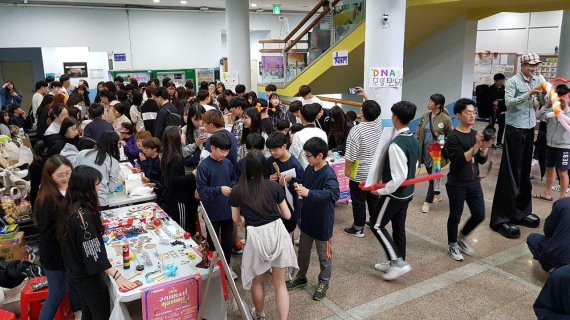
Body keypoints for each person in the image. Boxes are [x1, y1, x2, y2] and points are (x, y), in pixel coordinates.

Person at [57, 166, 136, 319]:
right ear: (86, 188)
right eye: (96, 184)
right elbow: (93, 253)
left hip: (75, 272)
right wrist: (117, 275)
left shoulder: (70, 205)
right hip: (87, 276)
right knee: (101, 313)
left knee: (88, 311)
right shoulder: (83, 217)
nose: (99, 188)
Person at [229, 150, 298, 320]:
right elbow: (287, 215)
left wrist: (244, 218)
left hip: (255, 237)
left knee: (257, 280)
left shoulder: (238, 190)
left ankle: (259, 314)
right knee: (280, 284)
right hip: (277, 233)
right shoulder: (273, 186)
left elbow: (236, 219)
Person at [490, 52, 546, 238]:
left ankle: (521, 211)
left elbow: (544, 101)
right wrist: (529, 94)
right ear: (522, 65)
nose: (533, 68)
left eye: (536, 65)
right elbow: (509, 104)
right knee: (510, 173)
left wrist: (548, 96)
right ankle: (502, 218)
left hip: (530, 129)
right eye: (530, 65)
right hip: (514, 130)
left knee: (523, 173)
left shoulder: (538, 78)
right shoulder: (513, 81)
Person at [369, 101, 418, 281]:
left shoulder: (396, 144)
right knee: (398, 227)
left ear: (395, 118)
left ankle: (397, 262)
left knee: (376, 224)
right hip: (407, 193)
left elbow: (399, 177)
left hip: (395, 194)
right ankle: (396, 260)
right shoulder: (412, 139)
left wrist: (380, 191)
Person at [286, 137, 339, 301]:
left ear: (320, 155)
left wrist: (309, 193)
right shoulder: (310, 168)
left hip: (323, 222)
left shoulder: (328, 174)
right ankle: (301, 277)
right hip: (307, 219)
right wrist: (292, 182)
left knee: (324, 256)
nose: (306, 158)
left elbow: (333, 194)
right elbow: (304, 183)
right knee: (303, 251)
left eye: (309, 155)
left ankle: (324, 282)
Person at [33, 155, 82, 320]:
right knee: (57, 293)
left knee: (73, 284)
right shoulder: (47, 199)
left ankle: (78, 312)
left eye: (68, 173)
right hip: (54, 253)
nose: (66, 178)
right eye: (60, 175)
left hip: (68, 251)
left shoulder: (70, 189)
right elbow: (47, 233)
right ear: (50, 176)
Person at [443, 99, 491, 261]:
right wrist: (477, 146)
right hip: (457, 183)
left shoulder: (475, 135)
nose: (472, 115)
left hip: (473, 181)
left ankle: (462, 237)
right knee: (455, 216)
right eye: (467, 112)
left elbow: (481, 160)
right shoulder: (453, 137)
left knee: (479, 214)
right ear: (458, 115)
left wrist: (484, 149)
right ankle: (452, 244)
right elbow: (458, 160)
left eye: (474, 112)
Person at [197, 131, 238, 270]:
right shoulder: (204, 166)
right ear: (212, 148)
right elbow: (202, 191)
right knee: (212, 240)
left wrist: (233, 187)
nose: (225, 154)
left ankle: (226, 267)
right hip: (212, 210)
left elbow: (234, 179)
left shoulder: (227, 163)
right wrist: (219, 189)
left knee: (227, 240)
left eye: (227, 151)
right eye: (222, 151)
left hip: (228, 209)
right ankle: (212, 267)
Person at [343, 96, 382, 238]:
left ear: (363, 113)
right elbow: (374, 111)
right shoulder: (378, 124)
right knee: (373, 198)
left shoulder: (357, 130)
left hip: (359, 171)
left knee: (358, 200)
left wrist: (347, 170)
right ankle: (374, 221)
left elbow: (350, 155)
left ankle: (358, 228)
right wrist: (366, 95)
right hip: (375, 171)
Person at [415, 93, 452, 213]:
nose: (428, 103)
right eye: (429, 101)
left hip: (436, 153)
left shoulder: (445, 119)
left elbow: (450, 136)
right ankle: (438, 194)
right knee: (432, 173)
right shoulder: (425, 116)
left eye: (431, 102)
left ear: (438, 105)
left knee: (432, 176)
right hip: (424, 151)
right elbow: (418, 131)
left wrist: (440, 140)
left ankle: (427, 201)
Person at [535, 85, 570, 201]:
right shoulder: (551, 109)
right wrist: (547, 105)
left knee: (562, 171)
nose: (560, 99)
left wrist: (566, 107)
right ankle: (547, 193)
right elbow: (538, 116)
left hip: (564, 146)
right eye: (557, 96)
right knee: (550, 168)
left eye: (562, 97)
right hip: (550, 144)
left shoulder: (569, 111)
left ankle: (562, 198)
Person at [161, 126, 198, 233]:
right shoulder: (176, 157)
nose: (184, 135)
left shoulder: (168, 154)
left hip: (170, 195)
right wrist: (192, 175)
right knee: (180, 227)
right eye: (181, 134)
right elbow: (174, 180)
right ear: (175, 137)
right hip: (178, 198)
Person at [266, 131, 304, 234]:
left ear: (284, 146)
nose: (272, 153)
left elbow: (302, 184)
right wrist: (269, 178)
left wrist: (290, 182)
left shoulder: (294, 164)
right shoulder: (270, 161)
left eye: (275, 150)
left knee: (288, 229)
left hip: (290, 203)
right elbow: (264, 177)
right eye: (270, 150)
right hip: (274, 202)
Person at [73, 131, 120, 209]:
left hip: (78, 198)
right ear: (114, 145)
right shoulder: (112, 162)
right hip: (100, 201)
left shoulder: (82, 153)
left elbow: (73, 170)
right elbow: (112, 188)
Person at [527, 198, 570, 272]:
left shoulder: (563, 203)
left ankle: (552, 268)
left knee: (532, 238)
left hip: (561, 256)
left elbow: (548, 230)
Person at [289, 103, 328, 168]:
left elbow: (294, 156)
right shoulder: (322, 133)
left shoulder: (298, 135)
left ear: (301, 117)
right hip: (320, 168)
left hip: (304, 169)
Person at [488, 73, 506, 147]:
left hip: (502, 110)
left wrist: (500, 102)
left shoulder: (505, 89)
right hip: (492, 111)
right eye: (500, 80)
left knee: (502, 126)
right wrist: (492, 102)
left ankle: (499, 142)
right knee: (491, 127)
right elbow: (487, 99)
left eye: (503, 80)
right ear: (495, 80)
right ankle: (490, 142)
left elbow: (506, 99)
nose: (502, 81)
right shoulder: (490, 89)